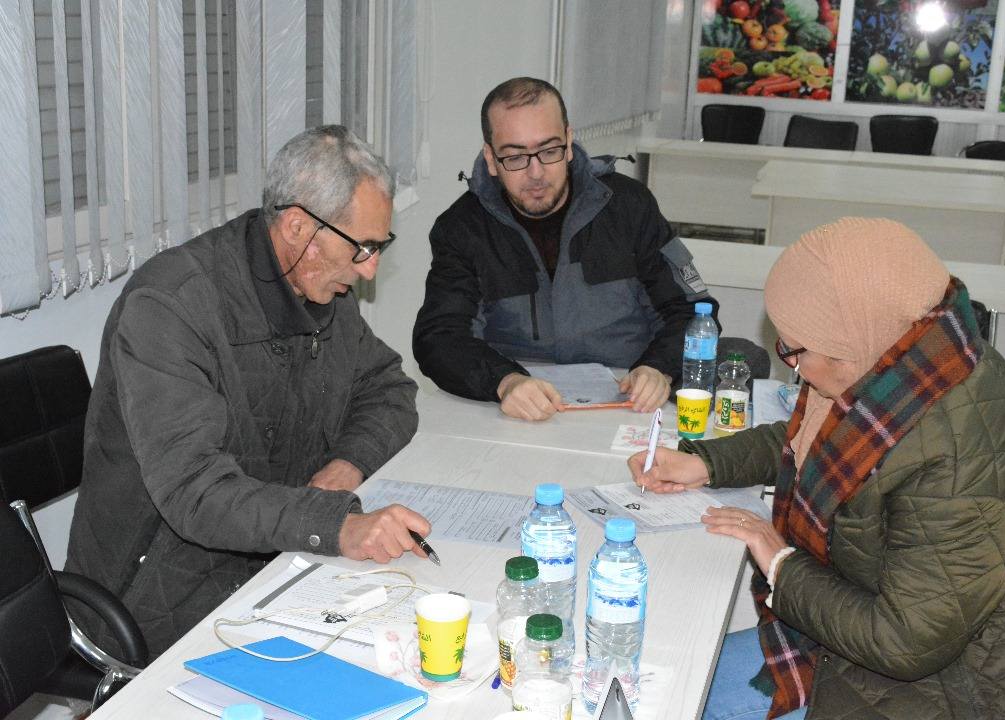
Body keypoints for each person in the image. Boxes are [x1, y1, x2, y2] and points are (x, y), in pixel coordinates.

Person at [631, 217, 1005, 719]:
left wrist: (781, 563)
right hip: (900, 637)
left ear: (852, 343)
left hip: (967, 690)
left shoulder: (964, 464)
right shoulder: (919, 362)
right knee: (673, 670)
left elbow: (903, 643)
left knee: (676, 696)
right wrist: (705, 463)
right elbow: (818, 440)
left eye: (795, 351)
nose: (793, 368)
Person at [67, 126, 431, 658]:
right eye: (363, 247)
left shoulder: (321, 288)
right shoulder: (170, 306)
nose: (371, 267)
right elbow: (195, 493)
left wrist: (348, 464)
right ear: (298, 227)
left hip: (272, 566)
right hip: (154, 600)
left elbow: (389, 390)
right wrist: (336, 526)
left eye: (379, 246)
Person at [413, 77, 748, 422]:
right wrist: (504, 381)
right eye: (514, 157)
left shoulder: (628, 206)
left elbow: (691, 310)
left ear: (569, 143)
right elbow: (439, 337)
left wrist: (657, 368)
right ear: (490, 158)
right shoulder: (462, 228)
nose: (536, 173)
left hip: (629, 398)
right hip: (517, 406)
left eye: (549, 151)